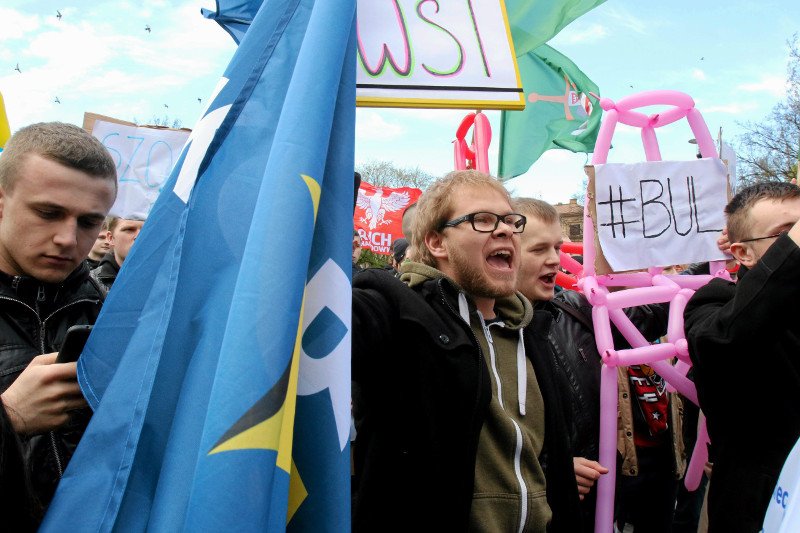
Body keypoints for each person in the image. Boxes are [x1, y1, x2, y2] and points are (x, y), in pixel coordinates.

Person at [352, 170, 580, 532]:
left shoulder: (530, 332)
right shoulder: (399, 315)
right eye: (483, 220)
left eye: (510, 221)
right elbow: (337, 318)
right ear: (438, 243)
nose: (505, 230)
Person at [513, 197, 680, 532]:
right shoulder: (486, 332)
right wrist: (549, 471)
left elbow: (645, 316)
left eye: (557, 247)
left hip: (601, 503)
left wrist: (706, 261)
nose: (553, 260)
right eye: (538, 249)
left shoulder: (574, 307)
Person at [0, 122, 116, 512]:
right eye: (48, 213)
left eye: (88, 222)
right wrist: (10, 417)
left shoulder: (111, 313)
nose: (68, 239)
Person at [684, 181, 800, 532]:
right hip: (762, 509)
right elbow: (727, 339)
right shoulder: (714, 303)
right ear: (743, 253)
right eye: (786, 235)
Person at [90, 215, 145, 291]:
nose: (139, 236)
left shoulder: (163, 279)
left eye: (145, 230)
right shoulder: (90, 283)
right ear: (110, 238)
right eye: (129, 229)